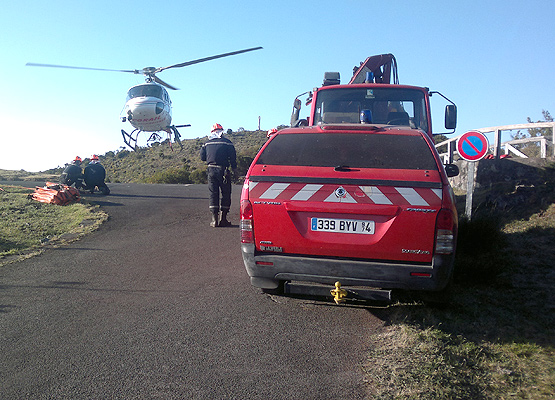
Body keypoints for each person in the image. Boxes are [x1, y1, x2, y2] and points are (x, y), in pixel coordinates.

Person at [200, 123, 237, 227]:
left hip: (211, 170)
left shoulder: (206, 143)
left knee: (213, 193)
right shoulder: (228, 143)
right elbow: (233, 158)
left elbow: (202, 158)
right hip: (224, 170)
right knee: (226, 193)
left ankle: (214, 220)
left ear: (212, 132)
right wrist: (234, 169)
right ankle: (223, 219)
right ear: (222, 131)